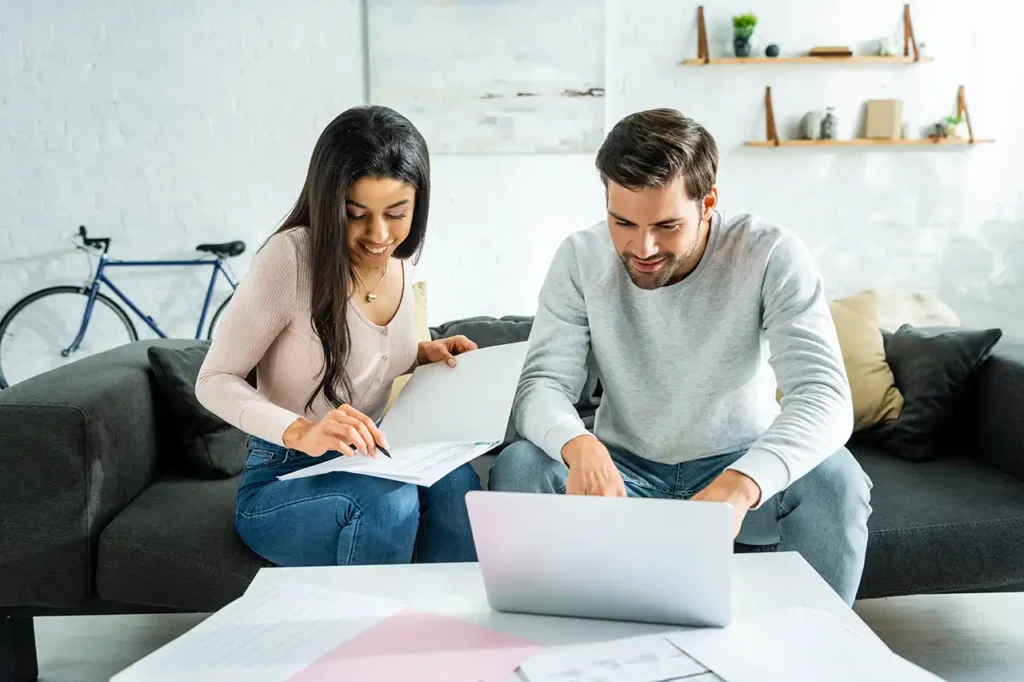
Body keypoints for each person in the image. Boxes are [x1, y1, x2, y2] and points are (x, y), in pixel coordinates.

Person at [489, 108, 873, 606]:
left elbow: (824, 395)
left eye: (666, 225)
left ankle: (812, 651)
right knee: (522, 466)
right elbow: (541, 384)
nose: (642, 246)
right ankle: (547, 643)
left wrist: (742, 484)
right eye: (622, 222)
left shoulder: (771, 253)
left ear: (708, 203)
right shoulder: (580, 257)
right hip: (620, 469)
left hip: (739, 463)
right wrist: (578, 447)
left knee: (836, 479)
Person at [195, 105, 482, 567]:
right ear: (330, 203)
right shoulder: (289, 259)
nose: (379, 235)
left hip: (369, 458)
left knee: (459, 486)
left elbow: (368, 356)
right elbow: (213, 379)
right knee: (386, 503)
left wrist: (422, 354)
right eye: (356, 214)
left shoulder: (401, 262)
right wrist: (302, 431)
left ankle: (446, 629)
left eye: (397, 213)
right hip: (284, 475)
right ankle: (376, 635)